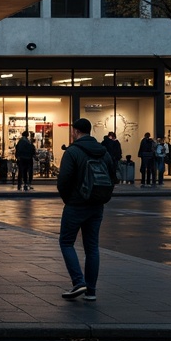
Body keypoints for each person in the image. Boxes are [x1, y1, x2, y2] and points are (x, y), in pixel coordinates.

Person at [55, 117, 116, 301]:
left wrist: (69, 199)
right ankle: (91, 291)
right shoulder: (103, 152)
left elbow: (63, 181)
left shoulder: (73, 151)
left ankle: (78, 281)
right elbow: (113, 178)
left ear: (75, 131)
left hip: (75, 204)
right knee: (92, 247)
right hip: (97, 205)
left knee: (66, 242)